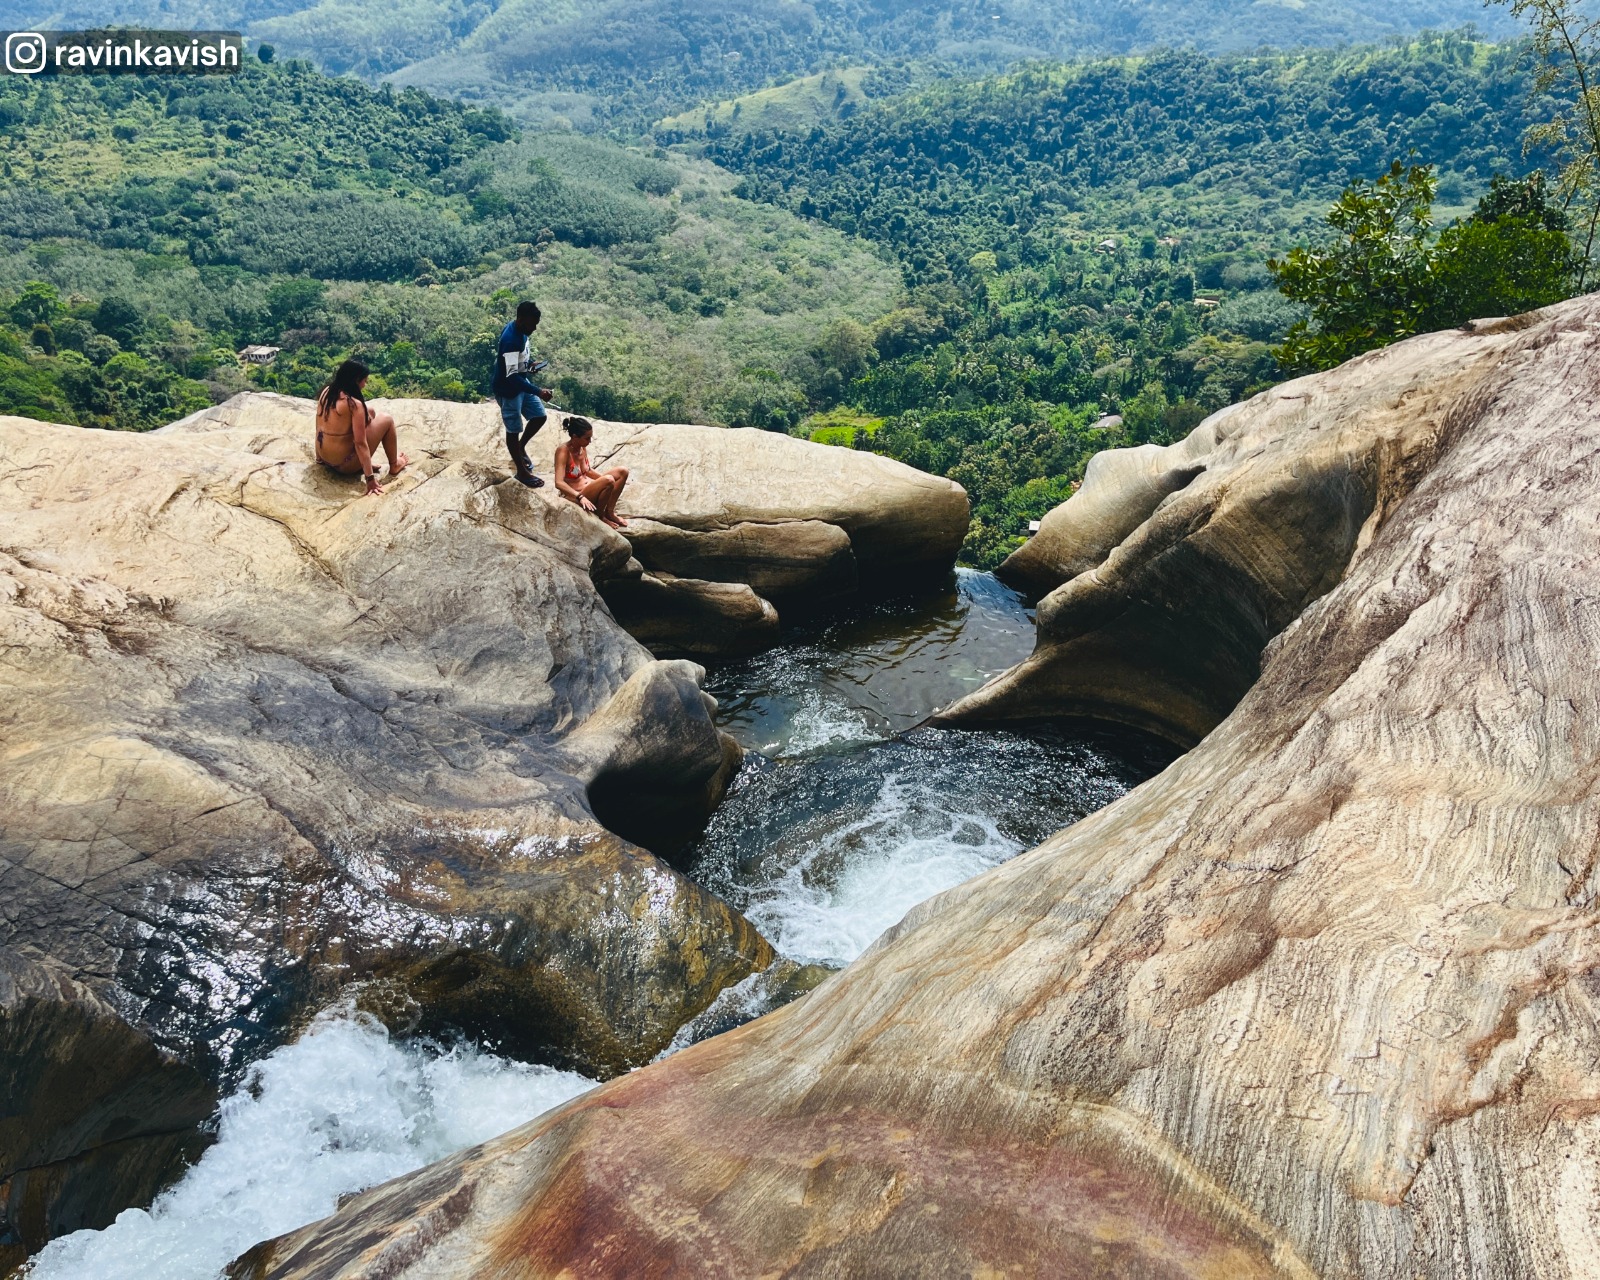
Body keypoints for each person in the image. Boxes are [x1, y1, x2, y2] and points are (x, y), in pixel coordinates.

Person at [315, 359, 406, 496]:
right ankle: (394, 465)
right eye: (364, 380)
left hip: (326, 458)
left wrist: (319, 457)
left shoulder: (327, 391)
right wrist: (370, 479)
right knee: (386, 419)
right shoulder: (353, 404)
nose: (365, 384)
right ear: (355, 380)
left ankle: (364, 462)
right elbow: (360, 443)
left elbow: (319, 428)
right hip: (344, 465)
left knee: (370, 411)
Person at [492, 300, 556, 488]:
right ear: (521, 320)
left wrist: (530, 365)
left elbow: (518, 363)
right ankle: (521, 471)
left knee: (539, 416)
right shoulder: (511, 340)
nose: (534, 328)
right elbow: (511, 377)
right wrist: (538, 391)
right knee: (513, 430)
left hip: (521, 383)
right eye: (532, 324)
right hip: (509, 390)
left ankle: (520, 448)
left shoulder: (520, 331)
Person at [553, 416, 629, 528]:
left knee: (623, 471)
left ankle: (610, 512)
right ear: (575, 437)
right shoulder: (563, 451)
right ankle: (600, 515)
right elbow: (558, 483)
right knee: (608, 480)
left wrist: (605, 481)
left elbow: (587, 470)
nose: (589, 441)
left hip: (589, 489)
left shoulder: (582, 447)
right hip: (576, 496)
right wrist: (580, 497)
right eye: (586, 438)